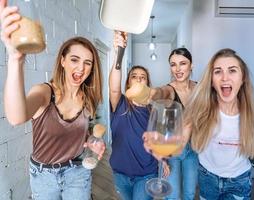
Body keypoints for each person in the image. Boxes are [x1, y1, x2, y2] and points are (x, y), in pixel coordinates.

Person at [145, 48, 254, 200]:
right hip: (207, 178)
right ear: (211, 80)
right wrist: (162, 149)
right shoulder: (200, 105)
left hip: (239, 180)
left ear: (243, 77)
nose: (225, 77)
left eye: (232, 71)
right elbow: (182, 139)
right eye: (218, 71)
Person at [1, 3, 105, 200]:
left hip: (78, 171)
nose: (81, 68)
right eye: (75, 59)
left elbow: (83, 134)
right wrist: (15, 59)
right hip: (44, 176)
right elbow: (16, 117)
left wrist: (92, 141)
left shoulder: (89, 99)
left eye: (87, 63)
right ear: (63, 61)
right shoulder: (44, 93)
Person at [109, 31, 159, 200]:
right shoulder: (120, 103)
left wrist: (164, 160)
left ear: (147, 83)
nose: (138, 80)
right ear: (128, 81)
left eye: (142, 77)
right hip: (120, 173)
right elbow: (114, 88)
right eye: (134, 76)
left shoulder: (153, 111)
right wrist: (119, 54)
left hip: (147, 173)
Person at [149, 48, 199, 200]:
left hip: (195, 150)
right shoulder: (169, 90)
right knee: (172, 196)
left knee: (190, 194)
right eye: (173, 64)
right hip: (173, 151)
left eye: (183, 63)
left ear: (191, 66)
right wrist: (151, 93)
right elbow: (160, 93)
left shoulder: (199, 89)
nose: (177, 69)